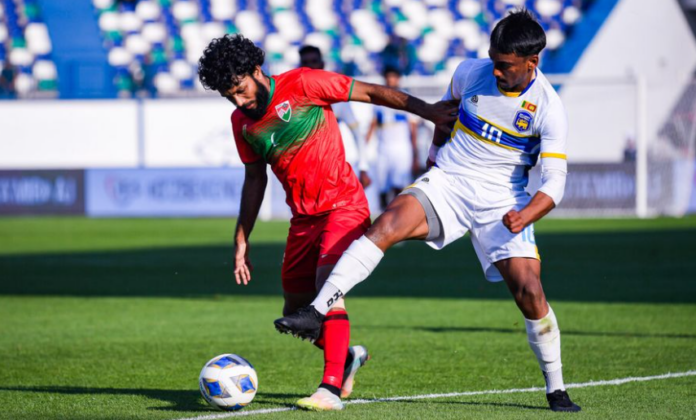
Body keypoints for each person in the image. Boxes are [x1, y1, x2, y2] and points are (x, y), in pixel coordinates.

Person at [275, 9, 581, 413]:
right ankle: (317, 310)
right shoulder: (470, 72)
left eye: (505, 65)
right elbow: (445, 113)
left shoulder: (548, 107)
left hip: (504, 202)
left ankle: (556, 388)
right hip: (450, 182)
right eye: (493, 59)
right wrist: (435, 156)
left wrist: (527, 215)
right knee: (385, 225)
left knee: (530, 292)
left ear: (532, 63)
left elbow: (555, 182)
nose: (496, 70)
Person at [197, 34, 457, 411]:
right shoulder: (243, 124)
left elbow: (369, 93)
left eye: (240, 89)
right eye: (229, 96)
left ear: (257, 71)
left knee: (327, 289)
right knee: (295, 312)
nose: (239, 101)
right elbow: (255, 179)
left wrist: (429, 111)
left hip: (343, 205)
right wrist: (242, 237)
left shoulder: (303, 84)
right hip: (303, 220)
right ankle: (348, 355)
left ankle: (330, 389)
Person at [298, 45, 371, 188]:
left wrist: (363, 167)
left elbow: (357, 133)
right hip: (304, 169)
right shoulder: (293, 96)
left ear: (322, 64)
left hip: (333, 169)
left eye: (313, 61)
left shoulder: (336, 96)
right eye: (305, 63)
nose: (310, 67)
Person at [365, 66, 420, 210]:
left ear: (398, 79)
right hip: (383, 148)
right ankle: (384, 213)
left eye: (393, 77)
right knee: (383, 184)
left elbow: (412, 129)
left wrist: (415, 153)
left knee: (399, 184)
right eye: (388, 77)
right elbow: (373, 124)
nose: (391, 80)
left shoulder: (407, 98)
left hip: (402, 149)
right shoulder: (379, 100)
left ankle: (398, 213)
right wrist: (364, 147)